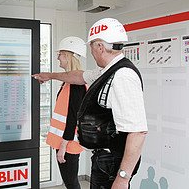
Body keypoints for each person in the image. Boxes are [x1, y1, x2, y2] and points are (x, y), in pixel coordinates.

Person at [33, 18, 148, 189]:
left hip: (113, 163)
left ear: (100, 46)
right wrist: (49, 75)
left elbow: (138, 132)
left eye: (92, 47)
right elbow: (78, 76)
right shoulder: (106, 71)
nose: (91, 53)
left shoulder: (123, 76)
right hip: (104, 160)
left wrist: (123, 178)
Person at [46, 36, 87, 189]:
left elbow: (73, 116)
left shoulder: (76, 84)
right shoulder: (69, 81)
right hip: (65, 141)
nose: (58, 58)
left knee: (71, 183)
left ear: (68, 56)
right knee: (70, 182)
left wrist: (63, 146)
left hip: (68, 143)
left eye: (60, 54)